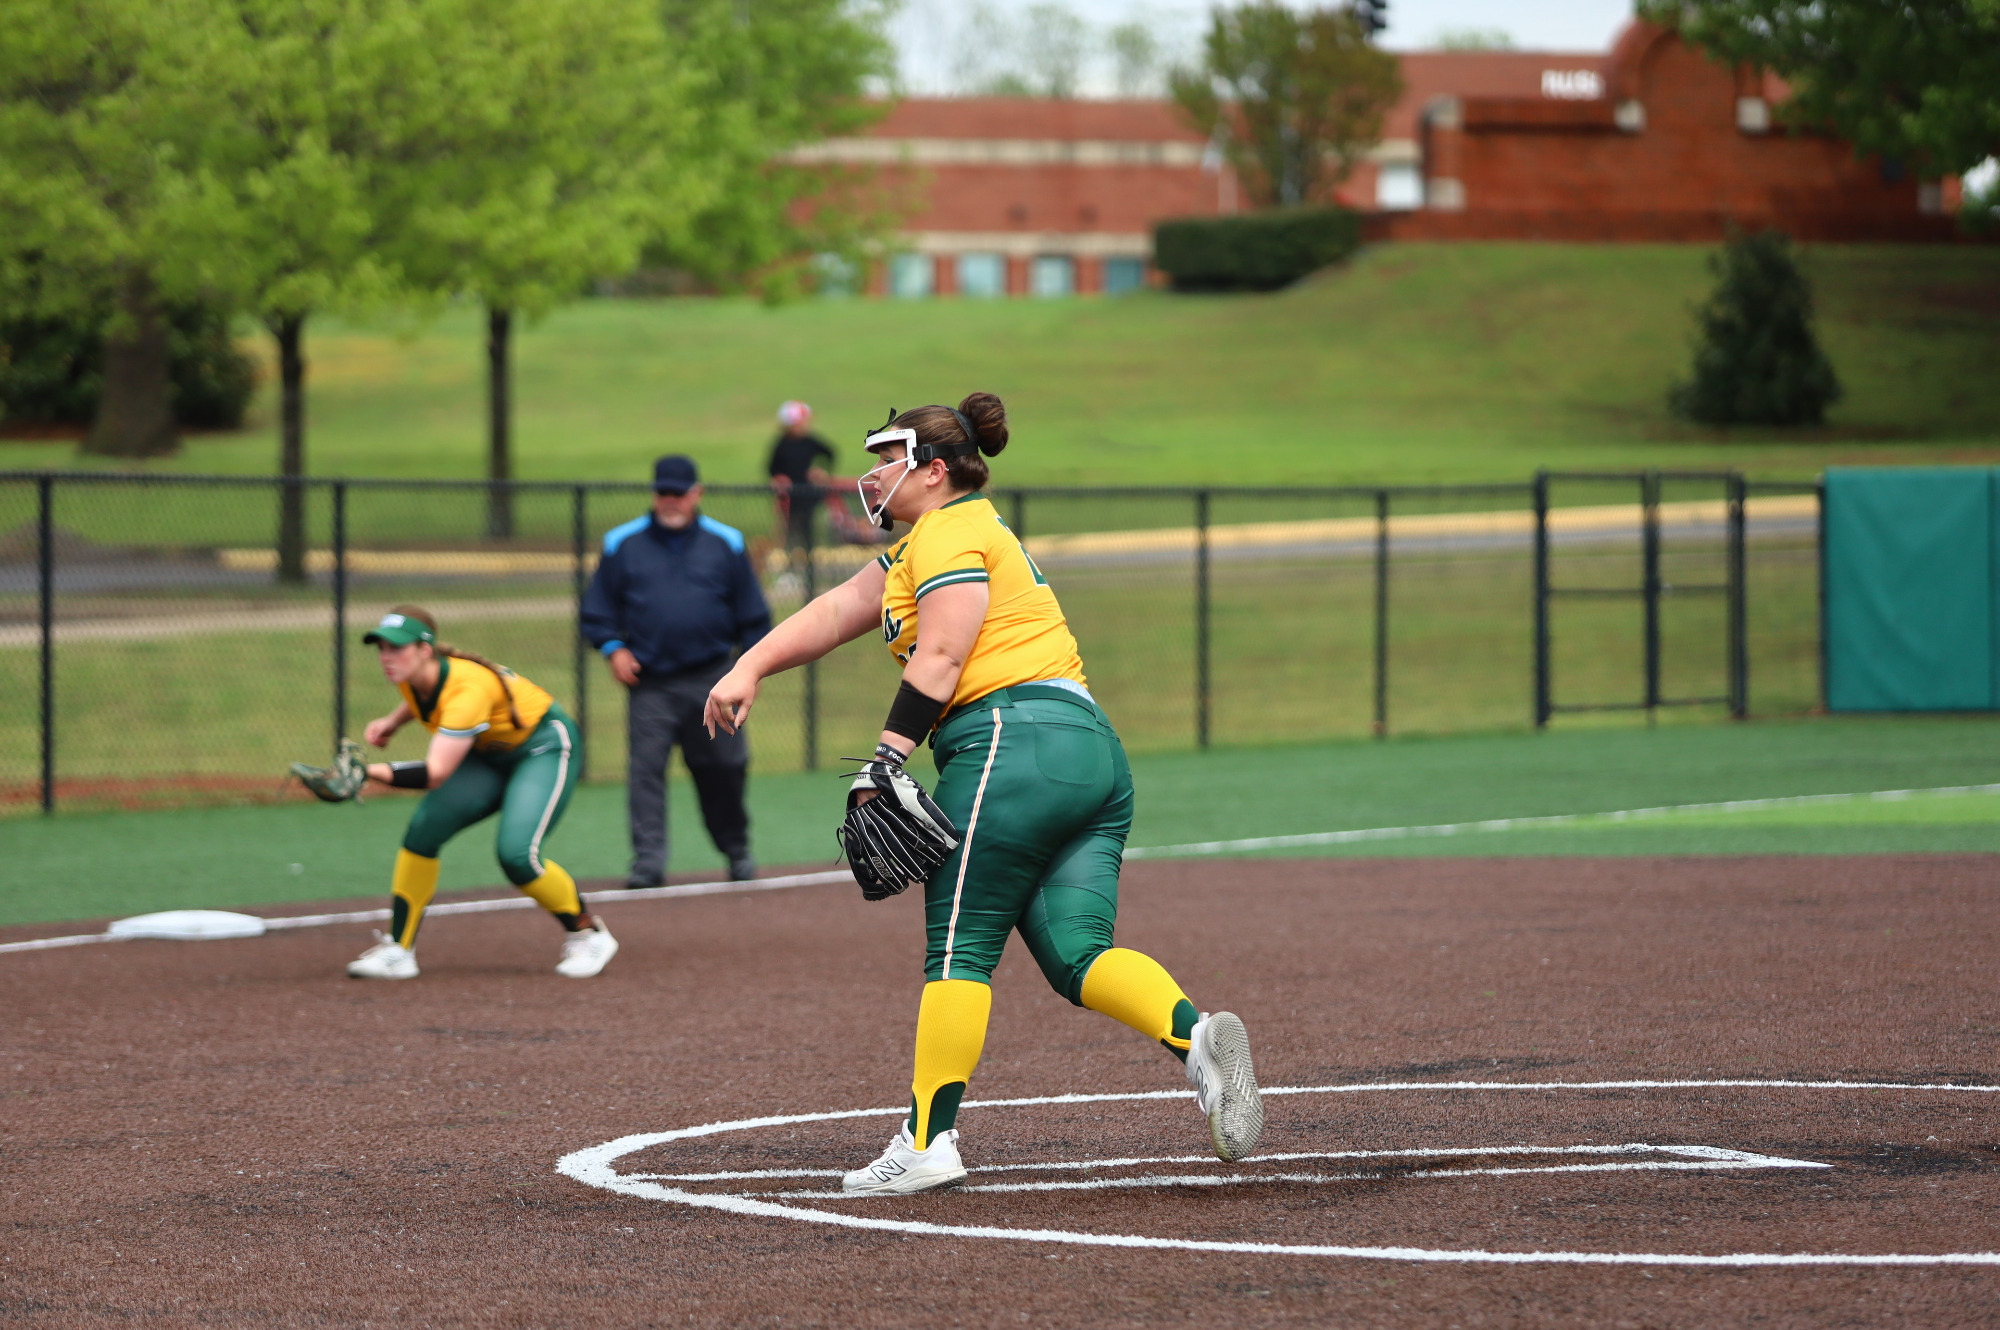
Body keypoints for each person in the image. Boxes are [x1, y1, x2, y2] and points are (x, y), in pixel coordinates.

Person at [704, 392, 1264, 1195]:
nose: (870, 475)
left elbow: (943, 653)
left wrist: (886, 759)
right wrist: (748, 665)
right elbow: (838, 609)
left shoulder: (951, 532)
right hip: (1084, 752)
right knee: (1076, 955)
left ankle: (929, 1141)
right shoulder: (938, 540)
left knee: (959, 952)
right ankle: (1196, 1035)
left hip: (1008, 742)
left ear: (933, 471)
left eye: (886, 459)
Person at [343, 606, 616, 981]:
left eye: (397, 648)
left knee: (516, 855)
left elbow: (437, 773)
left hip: (543, 747)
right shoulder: (414, 674)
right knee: (424, 831)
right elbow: (423, 696)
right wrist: (392, 722)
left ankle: (589, 934)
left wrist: (364, 774)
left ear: (426, 650)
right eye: (382, 648)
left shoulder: (468, 689)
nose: (387, 657)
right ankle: (398, 951)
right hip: (490, 754)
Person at [582, 455, 770, 889]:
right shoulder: (621, 543)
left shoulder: (726, 542)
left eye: (679, 493)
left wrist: (748, 670)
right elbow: (597, 610)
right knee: (645, 771)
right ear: (654, 494)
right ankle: (648, 862)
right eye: (663, 492)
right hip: (651, 684)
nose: (670, 501)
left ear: (696, 494)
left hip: (714, 680)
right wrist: (613, 649)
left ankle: (736, 849)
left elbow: (754, 617)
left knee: (724, 768)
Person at [767, 400, 837, 551]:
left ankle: (808, 557)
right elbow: (771, 468)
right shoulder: (782, 444)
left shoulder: (810, 442)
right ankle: (791, 557)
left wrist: (820, 470)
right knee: (789, 529)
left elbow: (830, 453)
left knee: (808, 529)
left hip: (808, 492)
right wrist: (778, 478)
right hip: (789, 496)